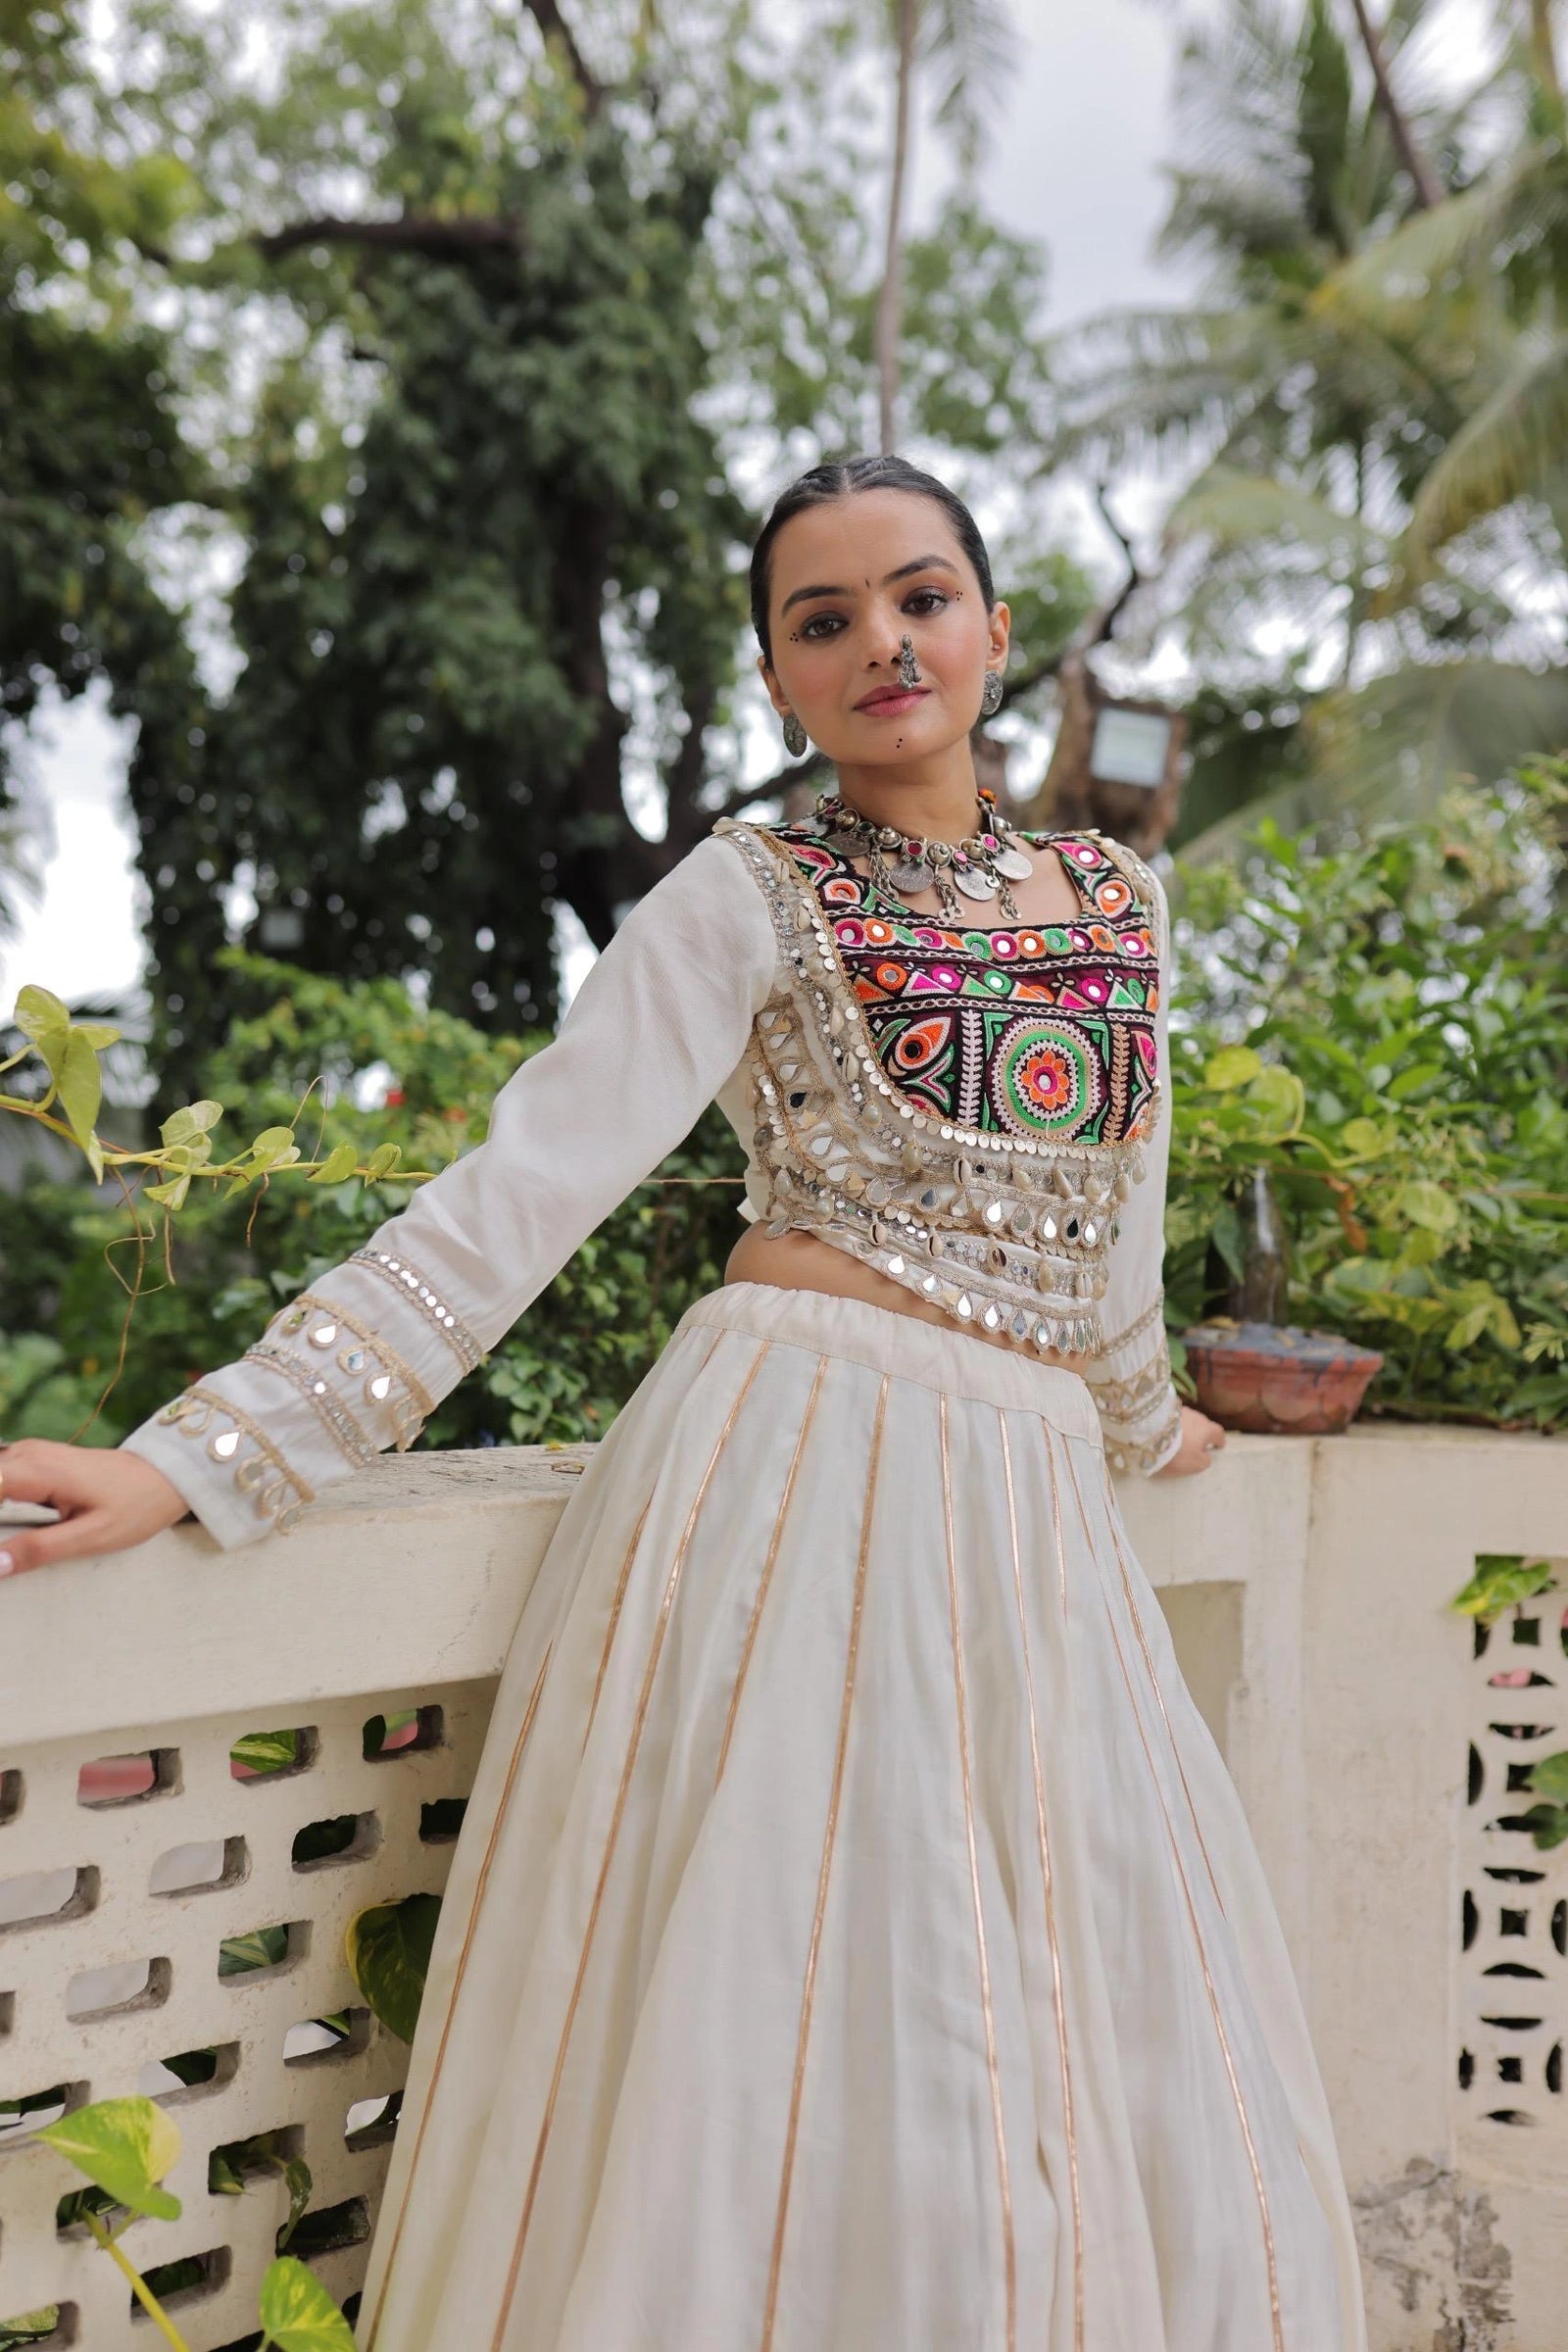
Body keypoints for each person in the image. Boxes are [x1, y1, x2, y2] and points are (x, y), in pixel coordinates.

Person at [0, 457, 1367, 2350]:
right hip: (792, 1485)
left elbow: (1110, 1243)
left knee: (1048, 2024)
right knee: (779, 2027)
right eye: (825, 619)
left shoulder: (1123, 906)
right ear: (780, 680)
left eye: (920, 597)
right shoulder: (747, 893)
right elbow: (514, 1202)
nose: (882, 641)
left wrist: (1147, 1426)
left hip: (1035, 1522)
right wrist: (200, 1457)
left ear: (993, 630)